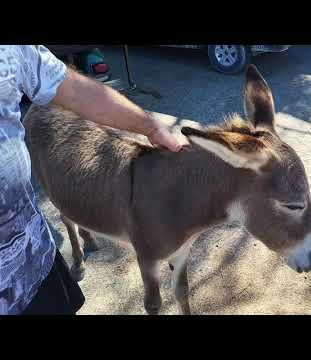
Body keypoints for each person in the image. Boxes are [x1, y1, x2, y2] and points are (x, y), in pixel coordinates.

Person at [0, 45, 181, 315]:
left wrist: (151, 127)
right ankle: (78, 240)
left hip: (34, 264)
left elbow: (71, 87)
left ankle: (80, 240)